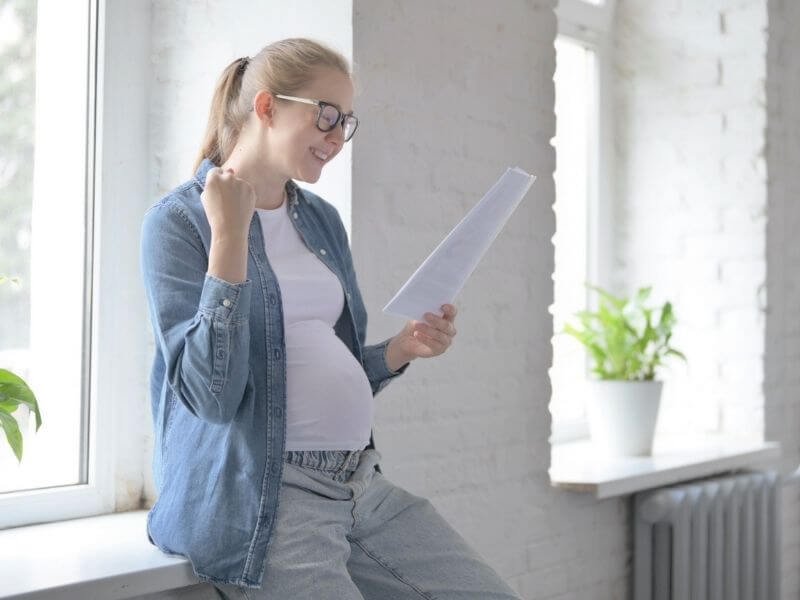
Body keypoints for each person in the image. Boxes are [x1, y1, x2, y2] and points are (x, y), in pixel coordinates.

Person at [140, 37, 522, 600]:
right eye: (325, 117)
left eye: (347, 122)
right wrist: (229, 237)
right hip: (269, 496)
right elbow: (211, 396)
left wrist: (399, 350)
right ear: (267, 107)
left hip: (359, 483)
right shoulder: (178, 222)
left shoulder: (319, 220)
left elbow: (312, 364)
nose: (337, 138)